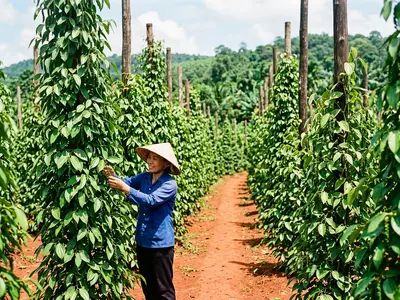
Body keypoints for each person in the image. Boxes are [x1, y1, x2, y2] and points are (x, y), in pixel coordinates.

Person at [102, 142, 180, 300]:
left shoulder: (169, 184)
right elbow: (126, 182)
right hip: (143, 241)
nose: (150, 162)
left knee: (163, 289)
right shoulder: (144, 177)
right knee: (148, 285)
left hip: (160, 244)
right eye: (149, 158)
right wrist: (113, 176)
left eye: (155, 158)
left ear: (165, 163)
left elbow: (151, 200)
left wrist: (125, 188)